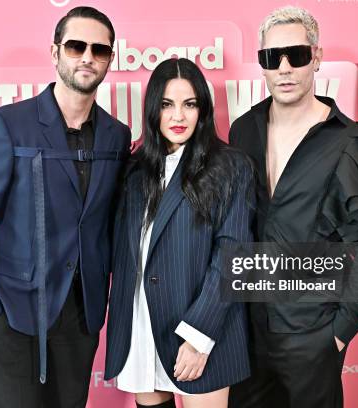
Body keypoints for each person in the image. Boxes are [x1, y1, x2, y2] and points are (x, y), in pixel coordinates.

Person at [227, 6, 358, 408]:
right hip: (246, 332)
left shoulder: (354, 144)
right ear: (262, 64)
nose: (285, 68)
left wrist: (340, 329)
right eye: (272, 58)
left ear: (317, 57)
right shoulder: (243, 129)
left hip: (313, 331)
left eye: (297, 54)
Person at [0, 6, 131, 407]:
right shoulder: (7, 125)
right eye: (76, 46)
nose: (87, 57)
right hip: (14, 313)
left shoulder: (117, 136)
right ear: (54, 53)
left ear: (109, 60)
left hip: (82, 316)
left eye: (99, 50)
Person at [105, 58, 254, 408]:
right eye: (167, 105)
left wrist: (199, 337)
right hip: (141, 326)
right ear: (153, 109)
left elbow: (235, 256)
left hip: (203, 330)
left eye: (189, 104)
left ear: (202, 110)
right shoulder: (135, 170)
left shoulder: (230, 166)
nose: (178, 117)